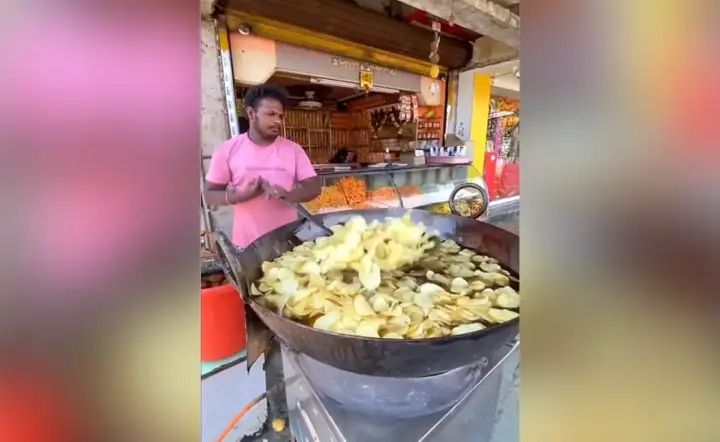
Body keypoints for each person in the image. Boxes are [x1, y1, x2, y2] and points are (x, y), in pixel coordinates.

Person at [204, 84, 321, 248]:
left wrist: (289, 194)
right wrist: (241, 196)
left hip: (288, 242)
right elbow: (209, 194)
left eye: (280, 116)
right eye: (271, 114)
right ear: (251, 113)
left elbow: (314, 186)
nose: (277, 121)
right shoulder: (227, 150)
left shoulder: (293, 149)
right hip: (248, 245)